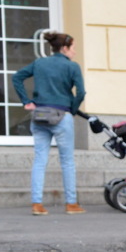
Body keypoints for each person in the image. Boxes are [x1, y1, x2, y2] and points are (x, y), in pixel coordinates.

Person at [12, 31, 87, 215]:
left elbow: (17, 77)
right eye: (73, 48)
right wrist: (73, 109)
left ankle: (37, 204)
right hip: (62, 115)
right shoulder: (72, 67)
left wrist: (26, 101)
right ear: (64, 48)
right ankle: (71, 204)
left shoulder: (39, 63)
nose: (75, 52)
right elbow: (81, 93)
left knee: (39, 160)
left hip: (39, 115)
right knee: (67, 161)